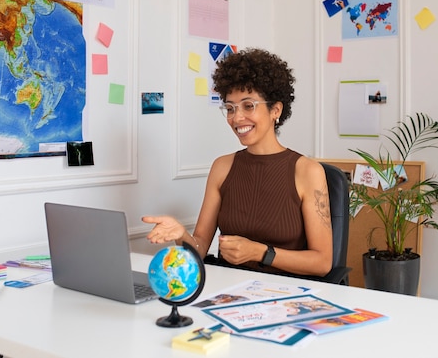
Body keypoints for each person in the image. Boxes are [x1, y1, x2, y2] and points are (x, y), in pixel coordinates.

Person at [142, 48, 332, 277]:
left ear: (276, 110)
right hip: (228, 289)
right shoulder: (222, 167)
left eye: (248, 105)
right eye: (230, 108)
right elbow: (200, 248)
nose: (236, 118)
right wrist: (181, 234)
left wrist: (261, 253)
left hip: (285, 296)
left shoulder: (308, 171)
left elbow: (322, 263)